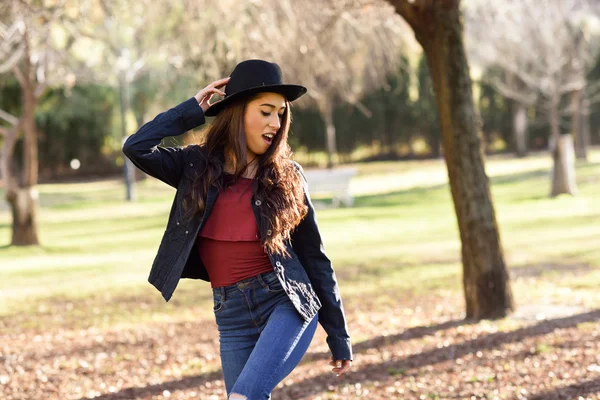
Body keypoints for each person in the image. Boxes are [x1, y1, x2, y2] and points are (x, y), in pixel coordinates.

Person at [122, 59, 352, 399]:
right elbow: (135, 147)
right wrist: (190, 111)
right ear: (237, 113)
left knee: (243, 397)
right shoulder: (195, 166)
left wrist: (338, 335)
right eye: (265, 111)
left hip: (286, 302)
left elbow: (314, 257)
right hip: (230, 314)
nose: (276, 122)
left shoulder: (287, 177)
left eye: (281, 113)